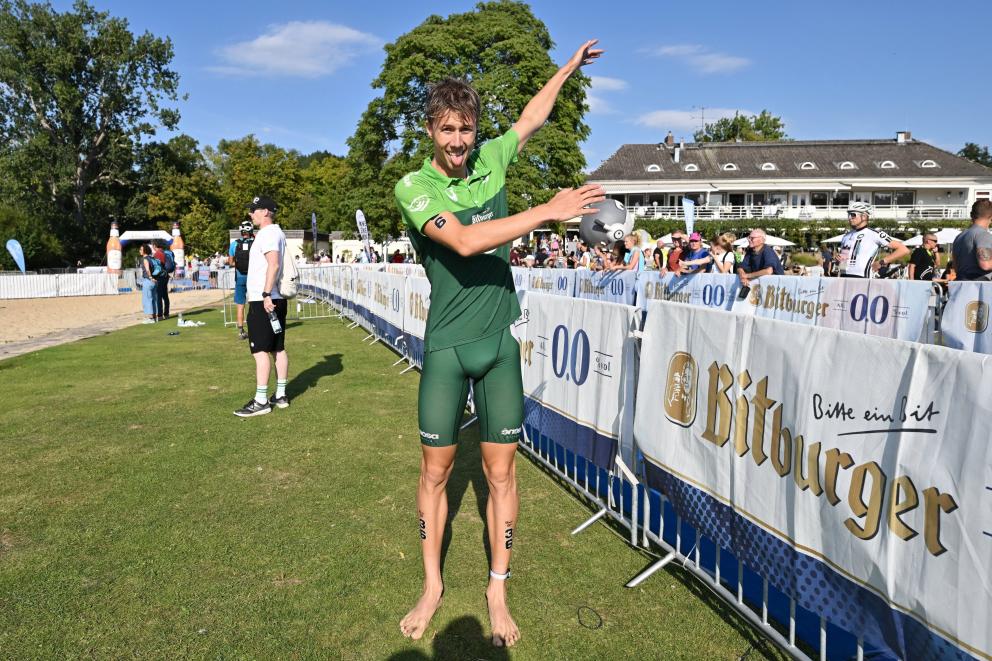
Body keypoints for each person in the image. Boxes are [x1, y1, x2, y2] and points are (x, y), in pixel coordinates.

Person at [392, 40, 604, 648]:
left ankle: (497, 587)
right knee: (435, 475)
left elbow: (532, 117)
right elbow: (461, 242)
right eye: (448, 130)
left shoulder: (492, 158)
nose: (459, 142)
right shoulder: (415, 186)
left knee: (500, 474)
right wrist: (547, 210)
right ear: (431, 129)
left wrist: (564, 71)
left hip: (498, 347)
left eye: (467, 129)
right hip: (446, 350)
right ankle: (432, 585)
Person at [234, 195, 290, 418]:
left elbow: (273, 263)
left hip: (264, 299)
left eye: (254, 210)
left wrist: (266, 293)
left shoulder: (268, 233)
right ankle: (281, 395)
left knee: (259, 351)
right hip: (274, 298)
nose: (251, 213)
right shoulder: (276, 232)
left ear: (266, 211)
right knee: (278, 347)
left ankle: (261, 400)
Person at [837, 202, 908, 278]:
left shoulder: (875, 234)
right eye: (848, 215)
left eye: (853, 215)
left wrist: (882, 262)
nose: (849, 218)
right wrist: (839, 260)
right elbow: (844, 261)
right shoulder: (846, 236)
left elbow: (903, 249)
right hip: (843, 276)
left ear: (864, 216)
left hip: (862, 277)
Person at [951, 199, 992, 281]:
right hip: (979, 288)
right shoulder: (983, 235)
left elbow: (955, 267)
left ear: (972, 215)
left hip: (962, 284)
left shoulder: (959, 237)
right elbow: (986, 264)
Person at [228, 219, 255, 340]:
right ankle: (256, 328)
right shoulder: (255, 242)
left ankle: (240, 330)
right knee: (255, 302)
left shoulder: (234, 244)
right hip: (254, 277)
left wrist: (238, 265)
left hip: (240, 277)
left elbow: (230, 261)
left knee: (240, 304)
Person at [138, 244, 161, 324]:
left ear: (145, 251)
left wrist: (150, 277)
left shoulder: (145, 259)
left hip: (148, 280)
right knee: (154, 299)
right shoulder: (152, 258)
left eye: (141, 249)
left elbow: (147, 270)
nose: (140, 251)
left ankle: (150, 318)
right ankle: (155, 316)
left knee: (147, 299)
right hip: (155, 281)